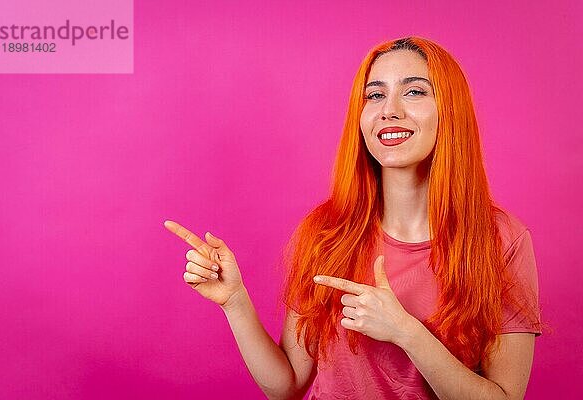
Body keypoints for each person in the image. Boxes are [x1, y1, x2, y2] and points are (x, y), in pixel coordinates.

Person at [164, 36, 543, 400]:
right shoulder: (325, 232)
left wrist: (406, 331)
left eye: (414, 91)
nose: (389, 109)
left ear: (451, 110)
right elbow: (287, 386)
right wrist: (235, 302)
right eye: (375, 95)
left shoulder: (500, 239)